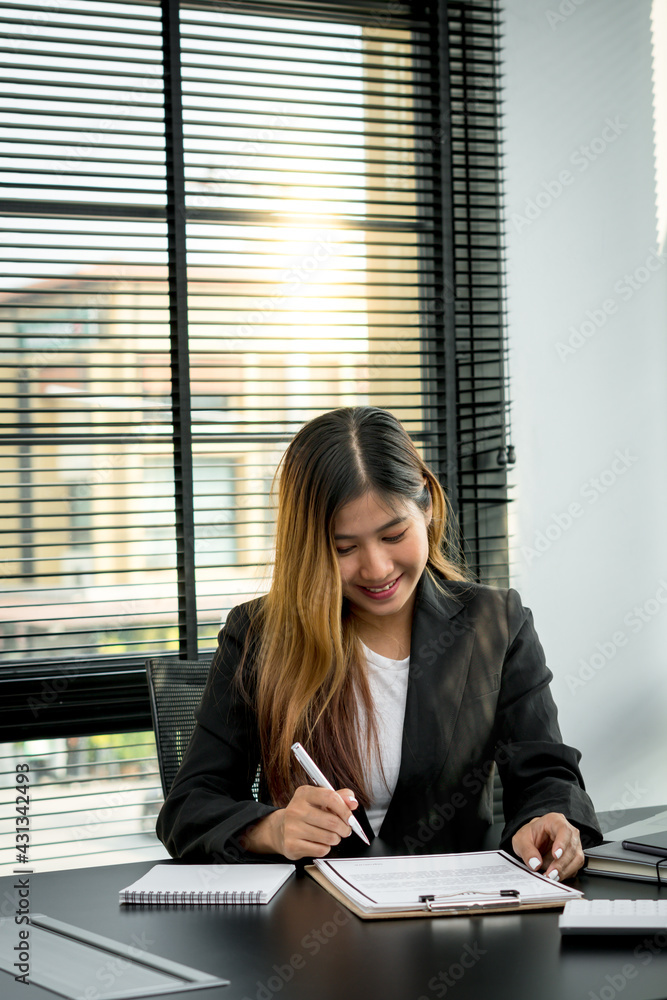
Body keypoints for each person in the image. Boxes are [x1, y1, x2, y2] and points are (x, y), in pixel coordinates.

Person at [157, 406, 602, 879]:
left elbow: (546, 774)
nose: (376, 569)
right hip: (308, 926)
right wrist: (272, 828)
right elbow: (188, 807)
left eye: (394, 535)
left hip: (454, 920)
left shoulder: (495, 623)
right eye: (344, 548)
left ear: (427, 507)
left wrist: (549, 819)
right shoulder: (259, 635)